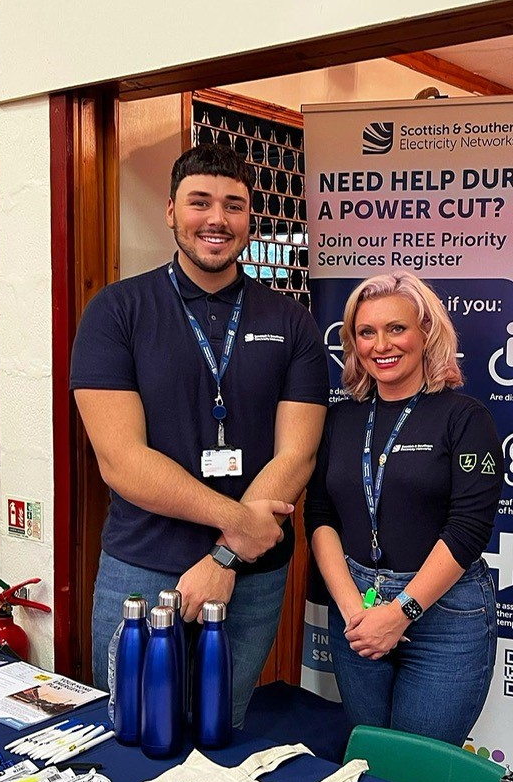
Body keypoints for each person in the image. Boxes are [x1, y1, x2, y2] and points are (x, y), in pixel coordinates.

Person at [71, 144, 327, 727]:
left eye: (234, 205)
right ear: (169, 211)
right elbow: (121, 460)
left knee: (221, 732)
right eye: (200, 202)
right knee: (128, 731)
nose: (217, 219)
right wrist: (237, 526)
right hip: (142, 567)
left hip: (253, 578)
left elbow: (299, 452)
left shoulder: (291, 321)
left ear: (250, 218)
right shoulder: (117, 311)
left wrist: (226, 558)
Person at [305, 271, 502, 744]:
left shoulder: (464, 417)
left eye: (397, 328)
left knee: (420, 773)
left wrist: (400, 612)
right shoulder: (341, 418)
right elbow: (320, 515)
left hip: (444, 617)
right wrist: (355, 609)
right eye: (366, 332)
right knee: (370, 758)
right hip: (357, 611)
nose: (381, 345)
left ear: (426, 333)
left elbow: (468, 529)